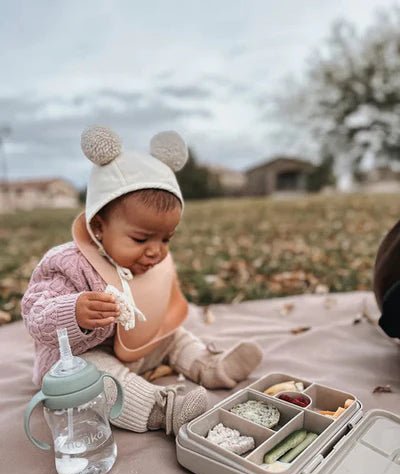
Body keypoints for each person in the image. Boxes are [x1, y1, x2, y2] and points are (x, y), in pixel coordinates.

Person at [21, 126, 263, 436]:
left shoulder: (148, 260)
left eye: (166, 239)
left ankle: (211, 366)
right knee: (97, 379)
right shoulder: (67, 264)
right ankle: (161, 409)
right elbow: (34, 315)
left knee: (175, 336)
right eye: (141, 238)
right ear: (98, 227)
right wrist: (74, 312)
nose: (155, 251)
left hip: (141, 347)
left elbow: (160, 303)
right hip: (81, 357)